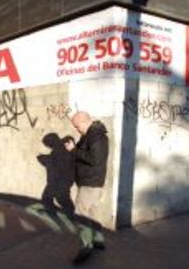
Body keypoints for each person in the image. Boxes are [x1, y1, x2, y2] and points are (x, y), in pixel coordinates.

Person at [64, 111, 109, 264]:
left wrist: (74, 150)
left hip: (91, 182)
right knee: (92, 211)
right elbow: (83, 152)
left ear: (84, 122)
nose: (76, 129)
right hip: (90, 181)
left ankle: (86, 246)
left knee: (80, 214)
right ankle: (98, 241)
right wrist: (74, 147)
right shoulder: (89, 135)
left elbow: (94, 159)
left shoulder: (97, 137)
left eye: (77, 127)